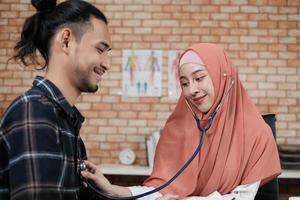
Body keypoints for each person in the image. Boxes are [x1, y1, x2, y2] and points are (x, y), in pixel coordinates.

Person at [80, 43, 281, 200]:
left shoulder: (258, 133)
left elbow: (242, 198)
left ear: (224, 78)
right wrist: (113, 189)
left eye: (199, 78)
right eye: (184, 83)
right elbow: (160, 190)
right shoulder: (176, 129)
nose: (191, 90)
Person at [0, 0, 111, 199]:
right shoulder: (34, 112)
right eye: (100, 49)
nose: (107, 64)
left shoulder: (65, 119)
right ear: (66, 40)